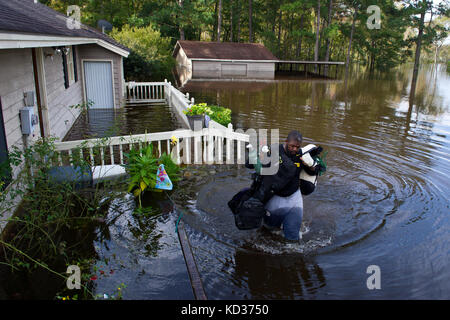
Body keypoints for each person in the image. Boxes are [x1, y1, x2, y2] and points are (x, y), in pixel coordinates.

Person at [228, 130, 305, 242]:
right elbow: (249, 164)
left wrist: (313, 166)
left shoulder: (301, 155)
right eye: (292, 146)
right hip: (273, 197)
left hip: (294, 198)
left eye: (297, 147)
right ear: (286, 142)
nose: (294, 149)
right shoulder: (272, 150)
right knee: (269, 232)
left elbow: (312, 174)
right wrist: (257, 154)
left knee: (292, 238)